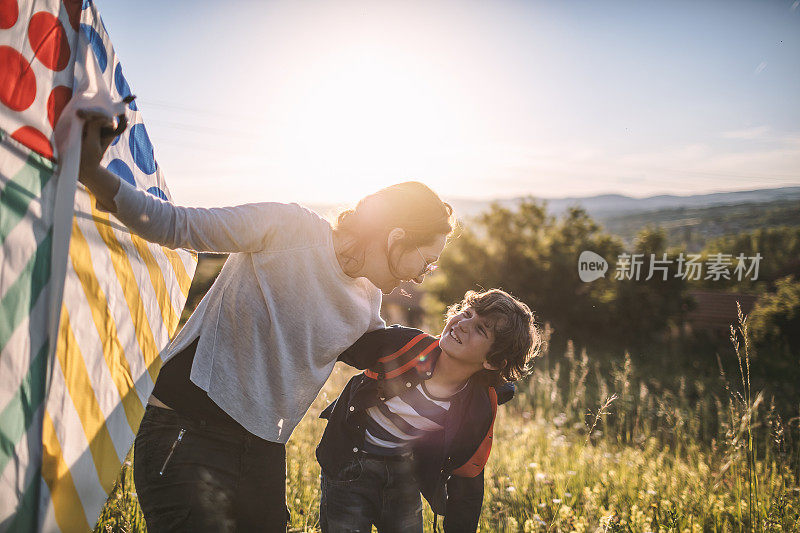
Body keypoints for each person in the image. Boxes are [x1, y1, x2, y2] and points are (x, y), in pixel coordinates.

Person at [77, 109, 455, 532]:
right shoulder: (289, 228)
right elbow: (177, 224)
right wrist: (92, 173)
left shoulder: (366, 301)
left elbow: (400, 356)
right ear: (396, 237)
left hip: (263, 450)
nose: (423, 276)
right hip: (187, 428)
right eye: (426, 261)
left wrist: (479, 362)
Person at [316, 289, 541, 532]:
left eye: (480, 329)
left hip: (403, 476)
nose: (463, 324)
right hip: (349, 465)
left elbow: (468, 477)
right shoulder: (404, 345)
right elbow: (340, 342)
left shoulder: (478, 407)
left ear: (493, 362)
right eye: (467, 313)